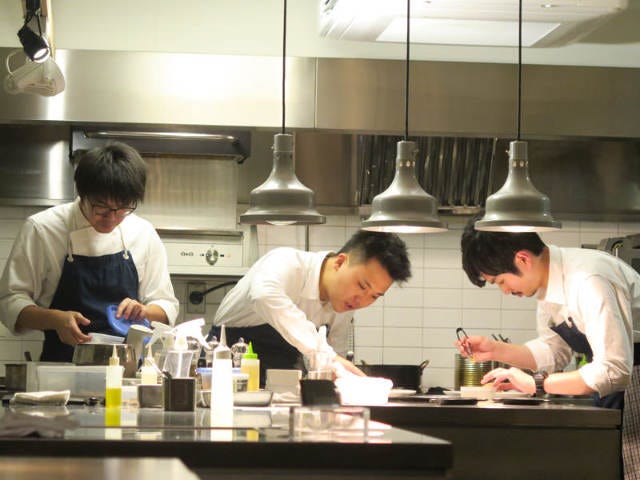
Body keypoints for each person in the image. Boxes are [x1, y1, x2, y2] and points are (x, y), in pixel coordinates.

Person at [456, 215, 640, 478]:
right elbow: (554, 352)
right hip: (618, 390)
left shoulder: (589, 279)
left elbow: (615, 369)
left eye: (501, 282)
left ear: (523, 259)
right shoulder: (547, 287)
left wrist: (537, 384)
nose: (505, 291)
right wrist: (494, 349)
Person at [0, 141, 179, 362]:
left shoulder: (142, 232)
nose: (112, 218)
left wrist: (144, 311)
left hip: (127, 369)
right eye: (101, 208)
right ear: (82, 193)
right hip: (61, 369)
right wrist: (55, 319)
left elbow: (166, 304)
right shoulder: (43, 229)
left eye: (123, 208)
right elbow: (9, 301)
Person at [208, 230, 411, 384]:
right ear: (340, 262)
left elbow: (333, 359)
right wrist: (324, 354)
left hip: (283, 379)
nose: (362, 300)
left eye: (374, 296)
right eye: (362, 286)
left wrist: (344, 380)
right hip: (229, 363)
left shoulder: (345, 305)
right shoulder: (286, 262)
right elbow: (263, 296)